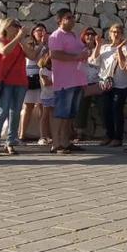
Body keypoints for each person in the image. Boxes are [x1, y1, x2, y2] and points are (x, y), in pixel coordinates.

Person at [0, 18, 40, 156]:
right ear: (7, 27)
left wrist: (22, 40)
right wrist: (18, 37)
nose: (18, 28)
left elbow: (32, 55)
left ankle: (10, 143)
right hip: (5, 81)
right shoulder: (0, 40)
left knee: (15, 112)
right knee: (2, 112)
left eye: (19, 26)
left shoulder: (20, 43)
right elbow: (4, 51)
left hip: (20, 82)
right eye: (15, 25)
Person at [48, 8, 89, 155]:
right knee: (60, 113)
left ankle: (65, 142)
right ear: (60, 20)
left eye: (73, 17)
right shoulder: (56, 36)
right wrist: (77, 57)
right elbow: (54, 54)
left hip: (76, 80)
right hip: (64, 81)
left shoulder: (73, 35)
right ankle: (56, 143)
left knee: (70, 114)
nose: (72, 20)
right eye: (68, 17)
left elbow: (79, 51)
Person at [95, 23, 127, 147]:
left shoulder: (126, 48)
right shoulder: (104, 48)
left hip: (120, 84)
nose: (116, 34)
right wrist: (98, 45)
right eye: (113, 32)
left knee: (116, 109)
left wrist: (120, 50)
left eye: (118, 32)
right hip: (105, 83)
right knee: (105, 110)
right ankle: (108, 135)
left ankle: (117, 137)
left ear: (122, 34)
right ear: (110, 34)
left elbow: (123, 65)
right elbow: (94, 60)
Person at [20, 23, 49, 144]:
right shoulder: (29, 44)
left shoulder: (48, 46)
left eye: (43, 30)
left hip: (43, 76)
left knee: (43, 106)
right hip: (30, 76)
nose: (41, 32)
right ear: (33, 33)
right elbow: (32, 57)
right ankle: (22, 134)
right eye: (38, 30)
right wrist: (41, 45)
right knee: (28, 106)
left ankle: (43, 136)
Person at [75, 27, 102, 141]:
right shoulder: (79, 49)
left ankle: (106, 132)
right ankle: (79, 132)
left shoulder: (102, 49)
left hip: (97, 83)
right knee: (81, 107)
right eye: (87, 34)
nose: (90, 36)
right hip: (83, 83)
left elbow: (96, 60)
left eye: (92, 34)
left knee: (103, 106)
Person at [38, 54, 55, 147]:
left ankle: (52, 135)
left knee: (53, 116)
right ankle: (42, 136)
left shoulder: (53, 70)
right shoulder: (43, 70)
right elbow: (45, 83)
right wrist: (56, 81)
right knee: (45, 116)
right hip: (46, 96)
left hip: (54, 95)